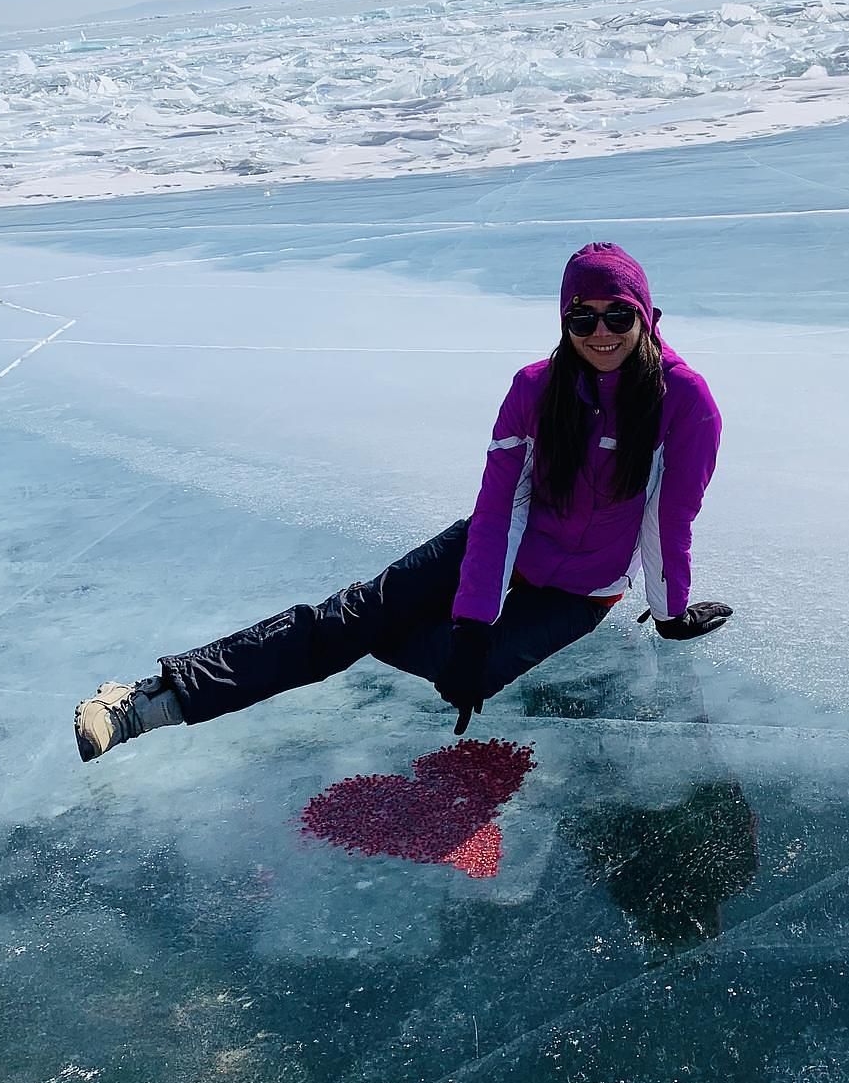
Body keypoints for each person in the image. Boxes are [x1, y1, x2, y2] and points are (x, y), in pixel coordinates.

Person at [75, 242, 731, 760]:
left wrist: (669, 616)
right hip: (505, 542)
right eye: (581, 318)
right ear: (563, 324)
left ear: (647, 317)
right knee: (351, 619)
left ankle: (367, 627)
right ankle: (149, 700)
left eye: (619, 316)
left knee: (460, 672)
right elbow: (502, 509)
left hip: (583, 590)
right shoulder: (537, 389)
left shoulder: (686, 403)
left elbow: (668, 520)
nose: (601, 332)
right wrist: (476, 619)